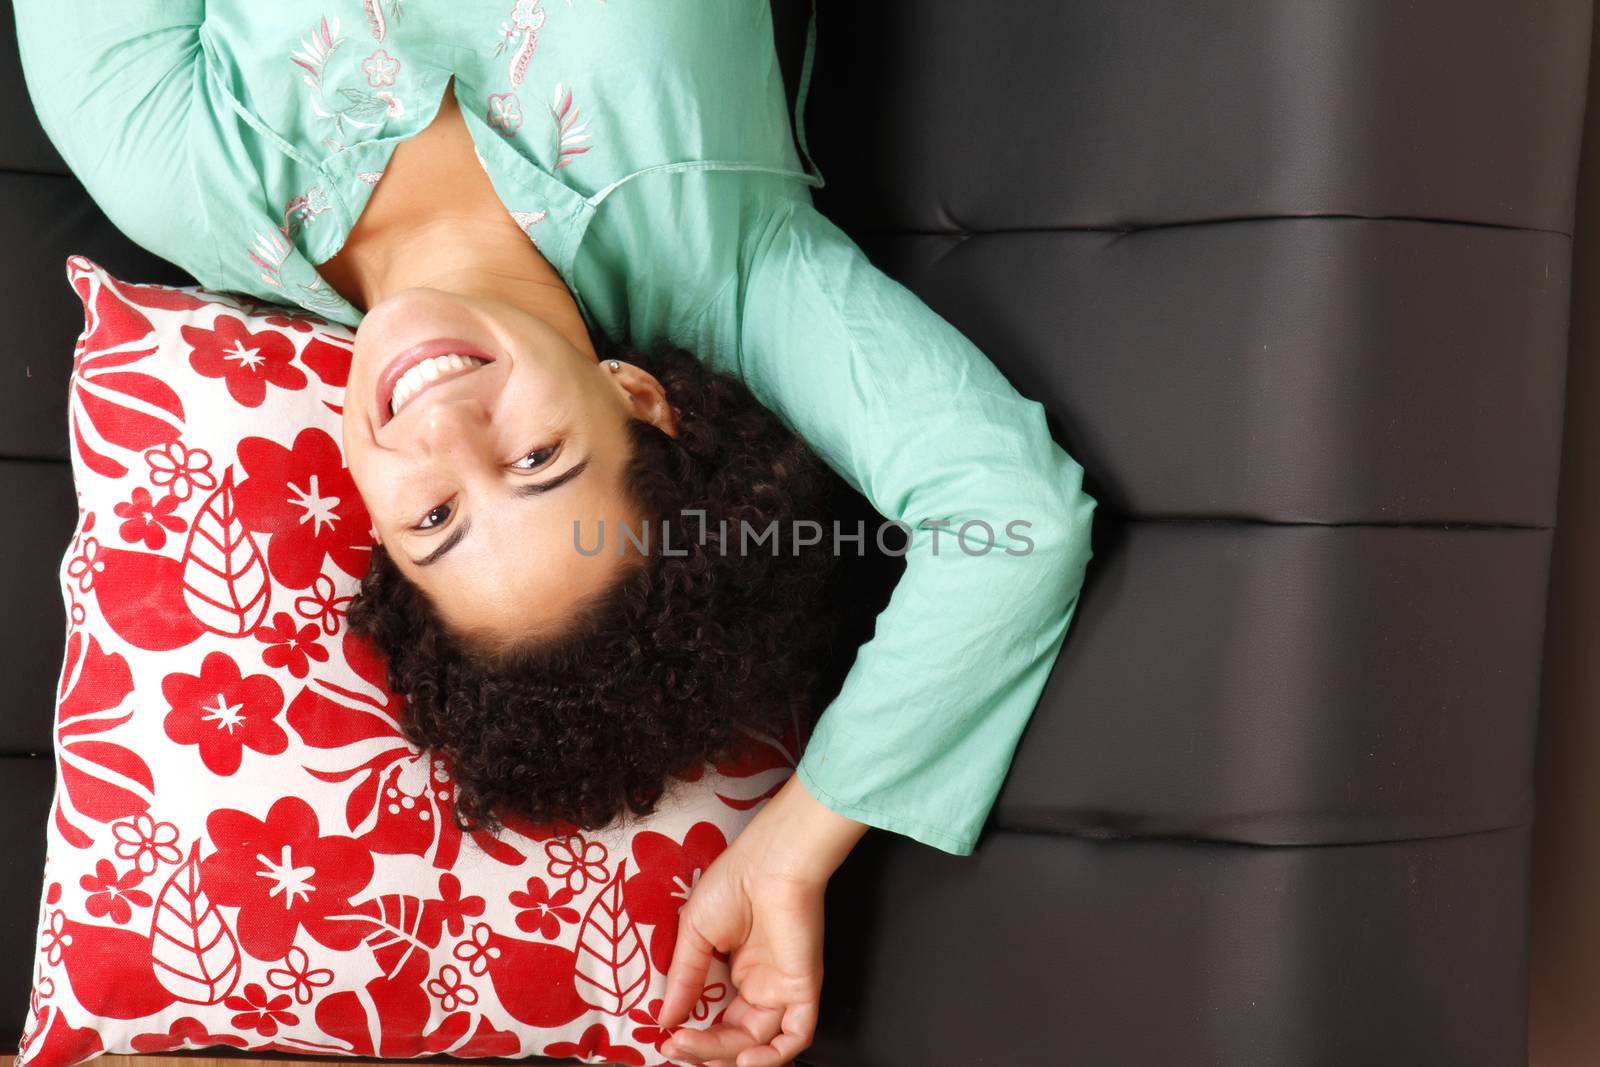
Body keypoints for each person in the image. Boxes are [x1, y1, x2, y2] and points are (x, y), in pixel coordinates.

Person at [15, 3, 1098, 1065]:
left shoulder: (173, 168)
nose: (446, 429)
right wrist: (791, 842)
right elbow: (1013, 521)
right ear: (633, 398)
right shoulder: (733, 268)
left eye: (435, 518)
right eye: (539, 461)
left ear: (371, 517)